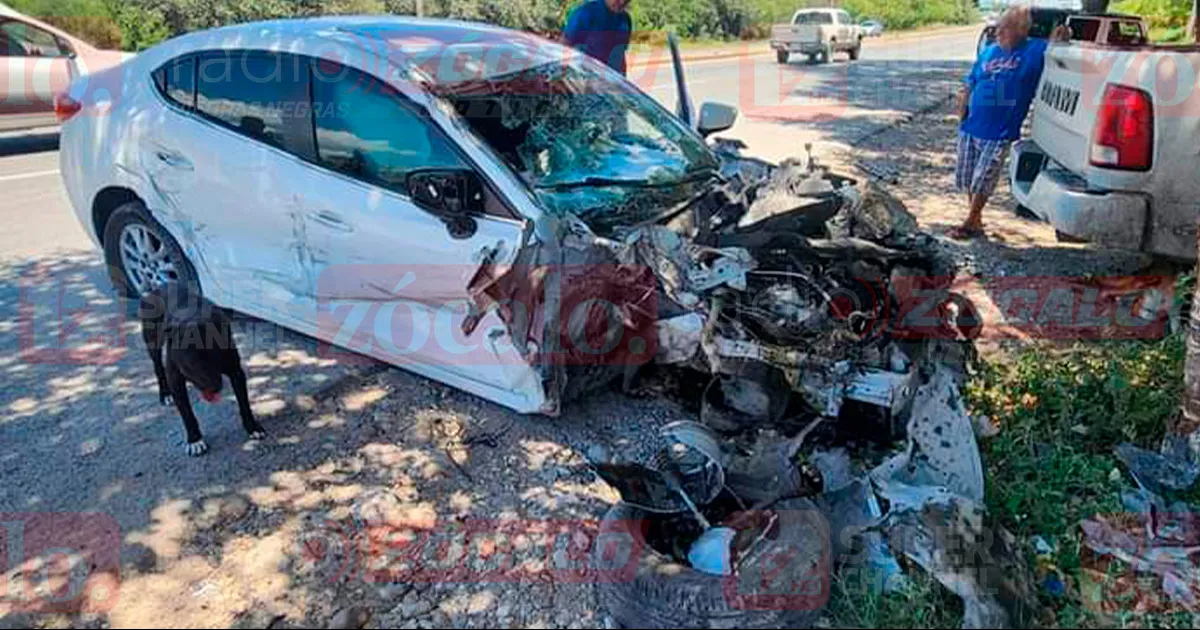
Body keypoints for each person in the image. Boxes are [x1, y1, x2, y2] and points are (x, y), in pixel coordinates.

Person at [950, 7, 1067, 239]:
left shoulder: (1034, 50)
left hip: (1000, 130)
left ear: (1022, 30)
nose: (998, 32)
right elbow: (970, 81)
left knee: (983, 177)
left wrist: (1061, 37)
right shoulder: (989, 52)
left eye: (1005, 28)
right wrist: (962, 109)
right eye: (998, 27)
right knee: (968, 176)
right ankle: (975, 218)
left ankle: (971, 220)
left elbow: (1058, 49)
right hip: (971, 124)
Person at [563, 0, 632, 75]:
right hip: (583, 78)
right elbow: (564, 47)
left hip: (610, 81)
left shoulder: (625, 20)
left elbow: (620, 54)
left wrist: (622, 78)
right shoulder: (585, 13)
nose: (622, 2)